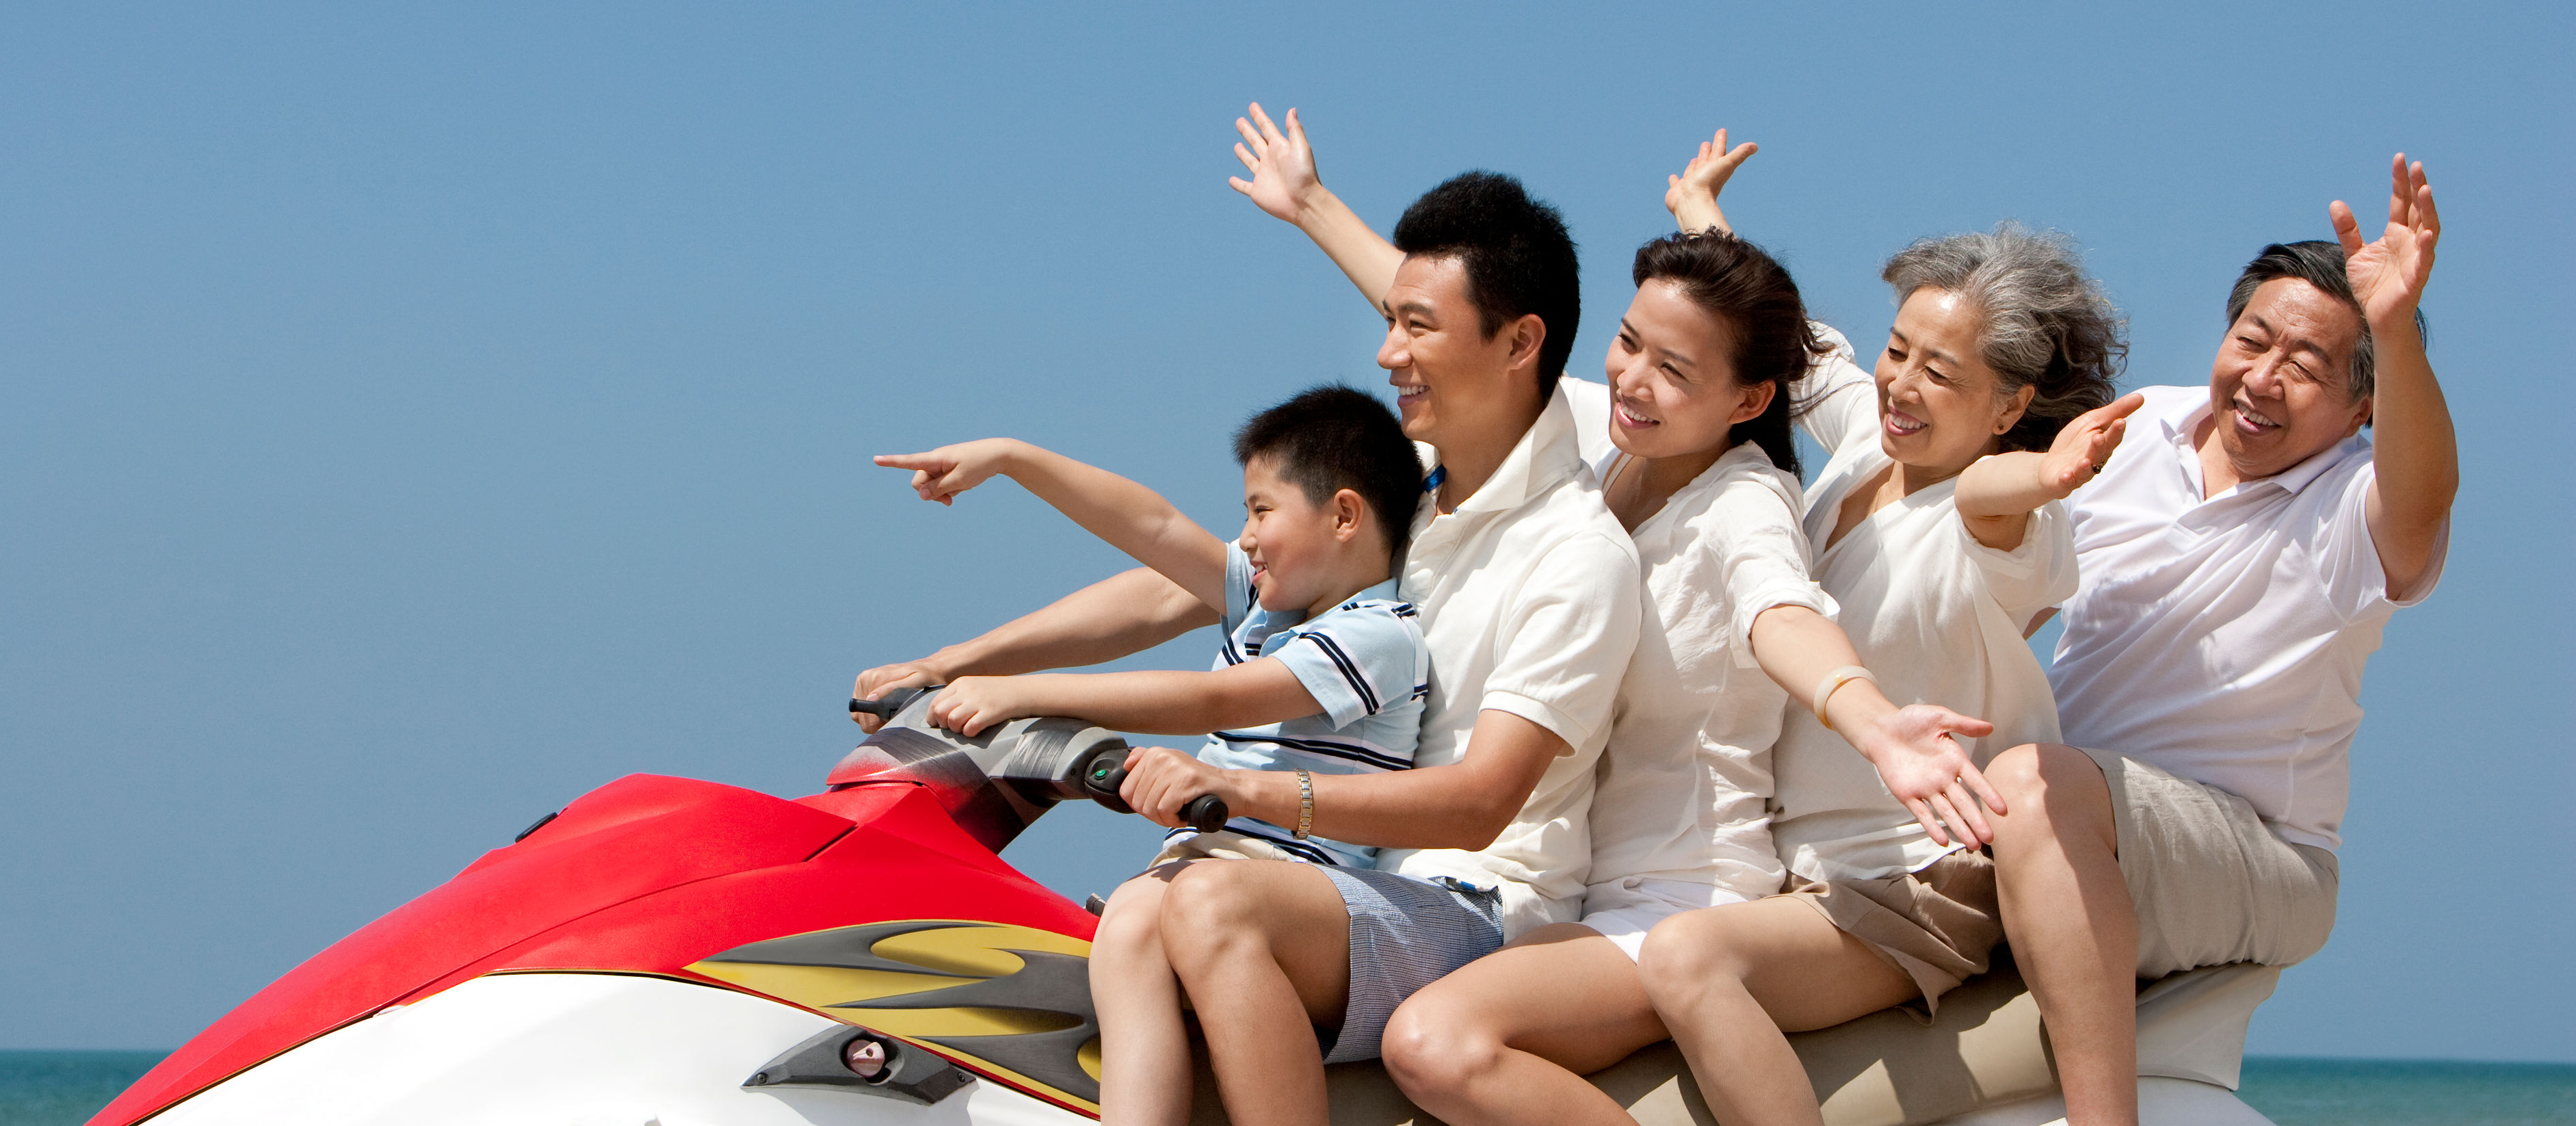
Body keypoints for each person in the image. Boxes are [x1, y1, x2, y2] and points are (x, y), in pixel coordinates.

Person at [1224, 118, 2012, 1125]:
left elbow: (1782, 615)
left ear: (1750, 398)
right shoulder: (1616, 446)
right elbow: (1469, 336)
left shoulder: (1743, 503)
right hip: (1587, 895)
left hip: (1688, 903)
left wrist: (1870, 720)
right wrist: (1312, 207)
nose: (1636, 379)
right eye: (1629, 345)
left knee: (1437, 1041)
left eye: (1674, 369)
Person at [854, 153, 1647, 1126]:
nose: (1388, 353)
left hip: (1472, 903)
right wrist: (956, 665)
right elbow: (1177, 585)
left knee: (1208, 899)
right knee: (1137, 913)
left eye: (1418, 328)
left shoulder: (1573, 554)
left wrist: (1237, 794)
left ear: (1521, 343)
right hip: (1333, 881)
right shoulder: (1413, 492)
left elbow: (1483, 804)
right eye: (1390, 323)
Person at [1620, 150, 2141, 1126]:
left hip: (1918, 880)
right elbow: (1791, 340)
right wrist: (1700, 217)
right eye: (1900, 349)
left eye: (1939, 372)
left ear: (2010, 407)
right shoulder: (1872, 439)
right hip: (1804, 873)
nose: (1901, 381)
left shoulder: (2009, 530)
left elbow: (1989, 498)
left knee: (1688, 957)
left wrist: (2044, 474)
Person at [1978, 155, 2454, 1126]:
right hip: (2076, 814)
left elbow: (2421, 508)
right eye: (2252, 340)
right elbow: (2000, 601)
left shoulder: (2353, 502)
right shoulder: (2140, 427)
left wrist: (2396, 330)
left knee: (2034, 780)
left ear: (2363, 407)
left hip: (2260, 852)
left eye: (2308, 366)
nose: (2263, 379)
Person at [872, 384, 1432, 874]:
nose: (1247, 536)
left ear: (1342, 517)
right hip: (1203, 860)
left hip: (1287, 877)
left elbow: (1215, 700)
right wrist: (1013, 458)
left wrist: (1016, 694)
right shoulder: (1274, 607)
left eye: (1262, 511)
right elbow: (1155, 531)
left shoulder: (1373, 633)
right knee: (1120, 932)